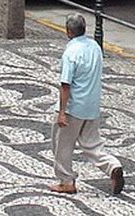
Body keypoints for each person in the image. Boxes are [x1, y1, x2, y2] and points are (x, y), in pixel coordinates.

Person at [50, 13, 125, 196]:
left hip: (74, 107)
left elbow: (66, 85)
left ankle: (66, 181)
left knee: (62, 144)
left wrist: (61, 112)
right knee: (91, 144)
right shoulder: (95, 46)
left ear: (68, 31)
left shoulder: (70, 53)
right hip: (92, 105)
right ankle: (112, 165)